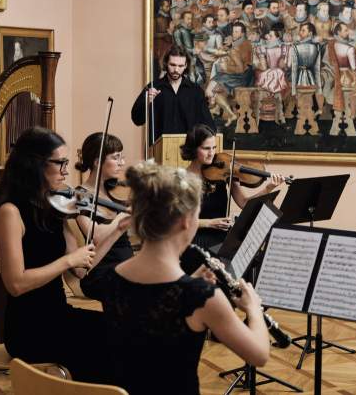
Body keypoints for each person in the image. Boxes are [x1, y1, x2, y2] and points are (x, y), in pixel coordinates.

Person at [100, 160, 270, 394]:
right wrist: (253, 308)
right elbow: (259, 355)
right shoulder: (202, 297)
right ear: (186, 221)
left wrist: (191, 279)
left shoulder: (111, 278)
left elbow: (151, 322)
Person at [0, 126, 116, 382]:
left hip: (58, 316)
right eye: (60, 163)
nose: (66, 171)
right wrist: (67, 260)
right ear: (35, 165)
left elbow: (81, 268)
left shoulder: (53, 208)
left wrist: (119, 228)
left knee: (121, 333)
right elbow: (15, 284)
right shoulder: (10, 212)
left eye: (66, 163)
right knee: (106, 351)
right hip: (28, 331)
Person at [179, 124, 283, 273]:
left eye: (214, 148)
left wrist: (268, 188)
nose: (212, 153)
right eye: (206, 148)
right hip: (196, 239)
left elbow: (244, 203)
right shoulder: (182, 179)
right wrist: (210, 223)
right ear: (193, 149)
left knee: (249, 261)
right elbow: (179, 220)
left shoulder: (222, 172)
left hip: (223, 238)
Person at [73, 132, 133, 300]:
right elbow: (97, 235)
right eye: (116, 157)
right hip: (100, 272)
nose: (122, 163)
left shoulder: (117, 191)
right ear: (97, 162)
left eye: (122, 157)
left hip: (127, 267)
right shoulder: (80, 195)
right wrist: (124, 215)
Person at [131, 45, 215, 144]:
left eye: (180, 66)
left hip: (188, 149)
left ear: (186, 65)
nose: (176, 70)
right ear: (166, 63)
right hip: (159, 148)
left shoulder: (196, 91)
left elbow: (209, 126)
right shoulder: (153, 87)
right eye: (172, 65)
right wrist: (146, 102)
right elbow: (137, 120)